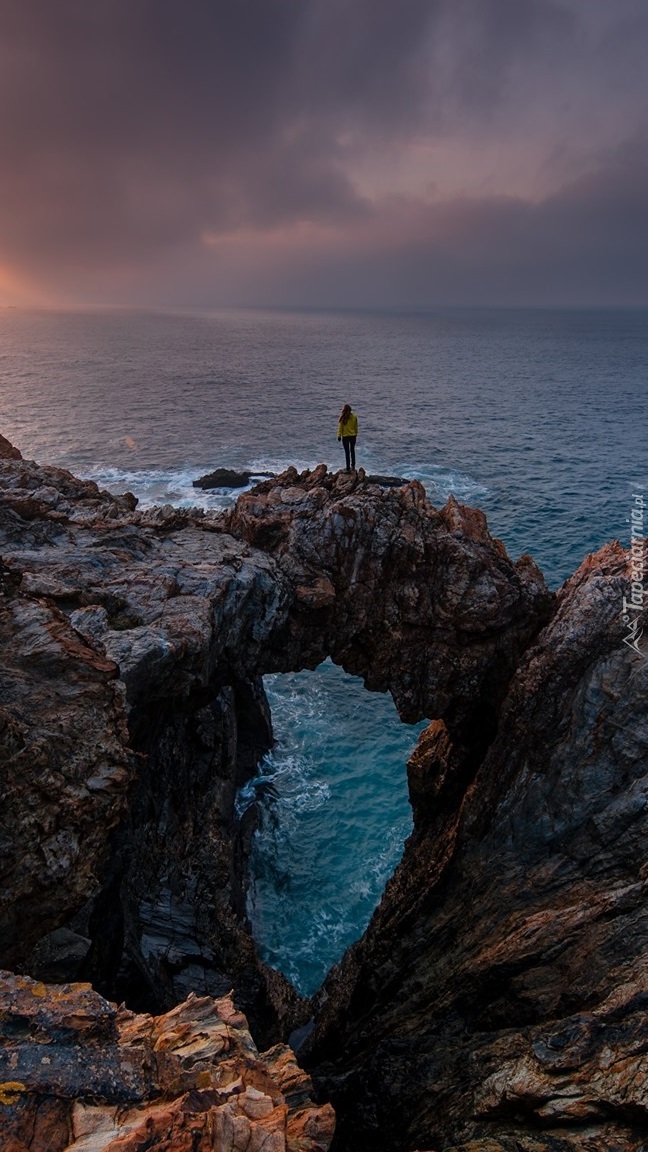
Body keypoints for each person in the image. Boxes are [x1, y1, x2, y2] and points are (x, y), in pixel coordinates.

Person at [337, 403, 358, 472]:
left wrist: (339, 436)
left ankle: (348, 468)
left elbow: (340, 428)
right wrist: (356, 433)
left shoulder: (342, 417)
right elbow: (356, 426)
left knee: (347, 452)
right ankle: (353, 466)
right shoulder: (354, 416)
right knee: (352, 450)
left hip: (345, 437)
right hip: (353, 436)